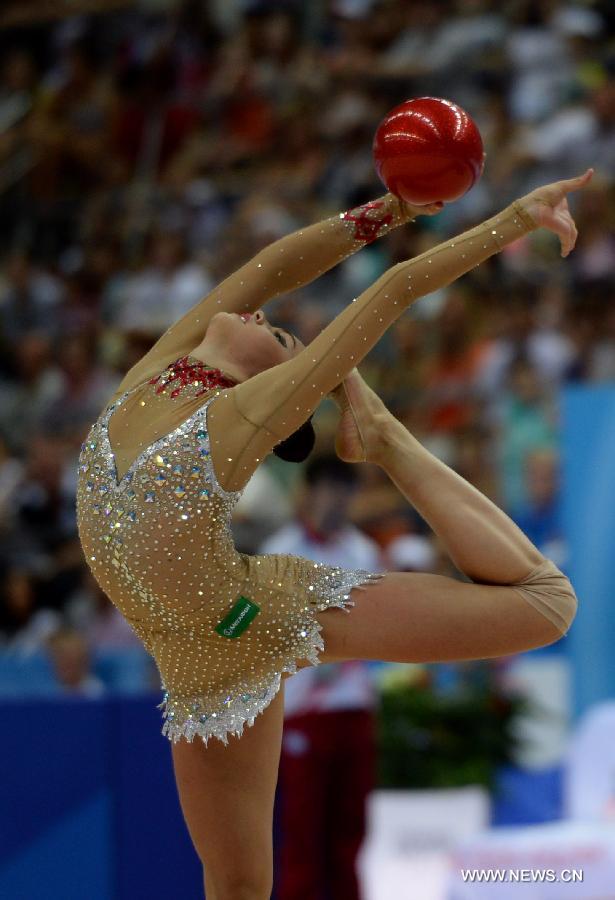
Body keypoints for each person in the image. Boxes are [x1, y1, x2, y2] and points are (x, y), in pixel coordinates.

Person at [76, 170, 590, 900]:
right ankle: (376, 432)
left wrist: (512, 218)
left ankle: (384, 437)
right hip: (194, 662)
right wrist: (391, 208)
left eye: (281, 337)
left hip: (255, 618)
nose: (260, 316)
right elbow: (270, 268)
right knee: (238, 885)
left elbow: (395, 290)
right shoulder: (159, 369)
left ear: (280, 386)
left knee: (547, 605)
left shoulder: (233, 419)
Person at [260, 454, 380, 900]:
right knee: (303, 837)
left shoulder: (363, 552)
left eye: (345, 490)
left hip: (352, 707)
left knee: (350, 836)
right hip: (302, 713)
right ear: (307, 492)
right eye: (328, 488)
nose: (337, 500)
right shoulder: (278, 552)